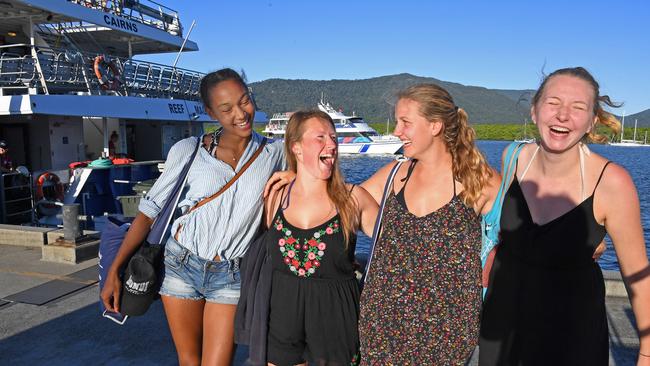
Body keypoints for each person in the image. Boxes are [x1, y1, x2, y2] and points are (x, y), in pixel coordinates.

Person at [100, 68, 285, 365]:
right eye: (226, 108)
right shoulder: (189, 150)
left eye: (244, 100)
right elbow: (148, 213)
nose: (240, 113)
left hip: (231, 273)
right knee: (189, 360)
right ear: (211, 113)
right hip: (180, 265)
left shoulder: (275, 153)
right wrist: (114, 271)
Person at [479, 67, 650, 366]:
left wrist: (647, 351)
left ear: (591, 121)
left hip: (570, 337)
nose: (563, 115)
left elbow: (638, 275)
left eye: (578, 107)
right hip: (502, 326)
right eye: (553, 103)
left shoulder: (611, 183)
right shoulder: (513, 157)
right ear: (535, 111)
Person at [357, 84, 499, 364]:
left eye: (405, 122)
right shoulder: (395, 174)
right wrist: (302, 183)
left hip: (447, 335)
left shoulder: (482, 182)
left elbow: (524, 236)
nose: (397, 131)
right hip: (381, 327)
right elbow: (343, 206)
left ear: (435, 125)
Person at [257, 110, 377, 365]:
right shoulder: (276, 195)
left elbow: (396, 244)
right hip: (282, 312)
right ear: (296, 148)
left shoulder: (353, 198)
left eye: (333, 137)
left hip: (336, 317)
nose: (332, 145)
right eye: (320, 137)